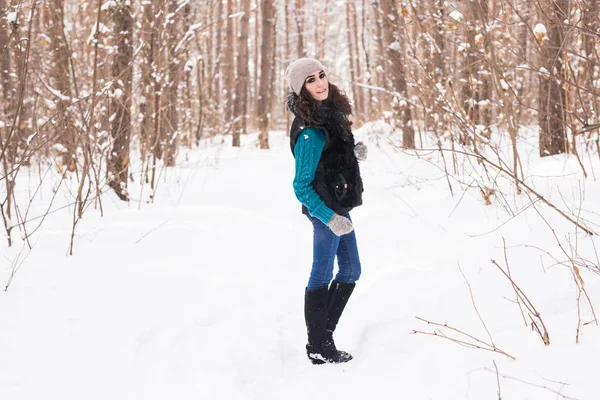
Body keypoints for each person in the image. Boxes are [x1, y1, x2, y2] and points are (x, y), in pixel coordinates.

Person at [285, 58, 367, 365]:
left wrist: (353, 152)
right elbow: (301, 186)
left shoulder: (328, 115)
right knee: (322, 273)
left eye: (321, 75)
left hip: (338, 205)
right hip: (325, 211)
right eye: (310, 80)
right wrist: (330, 218)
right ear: (301, 89)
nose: (320, 83)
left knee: (351, 271)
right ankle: (318, 344)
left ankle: (323, 337)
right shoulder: (309, 131)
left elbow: (332, 157)